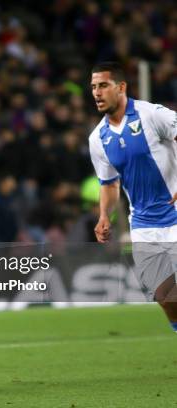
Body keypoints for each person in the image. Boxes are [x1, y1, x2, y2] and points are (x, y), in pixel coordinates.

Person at [88, 61, 177, 328]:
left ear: (121, 87)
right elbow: (109, 184)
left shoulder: (152, 115)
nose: (96, 92)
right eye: (93, 87)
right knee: (165, 297)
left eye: (103, 85)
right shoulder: (98, 138)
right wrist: (104, 215)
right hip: (143, 226)